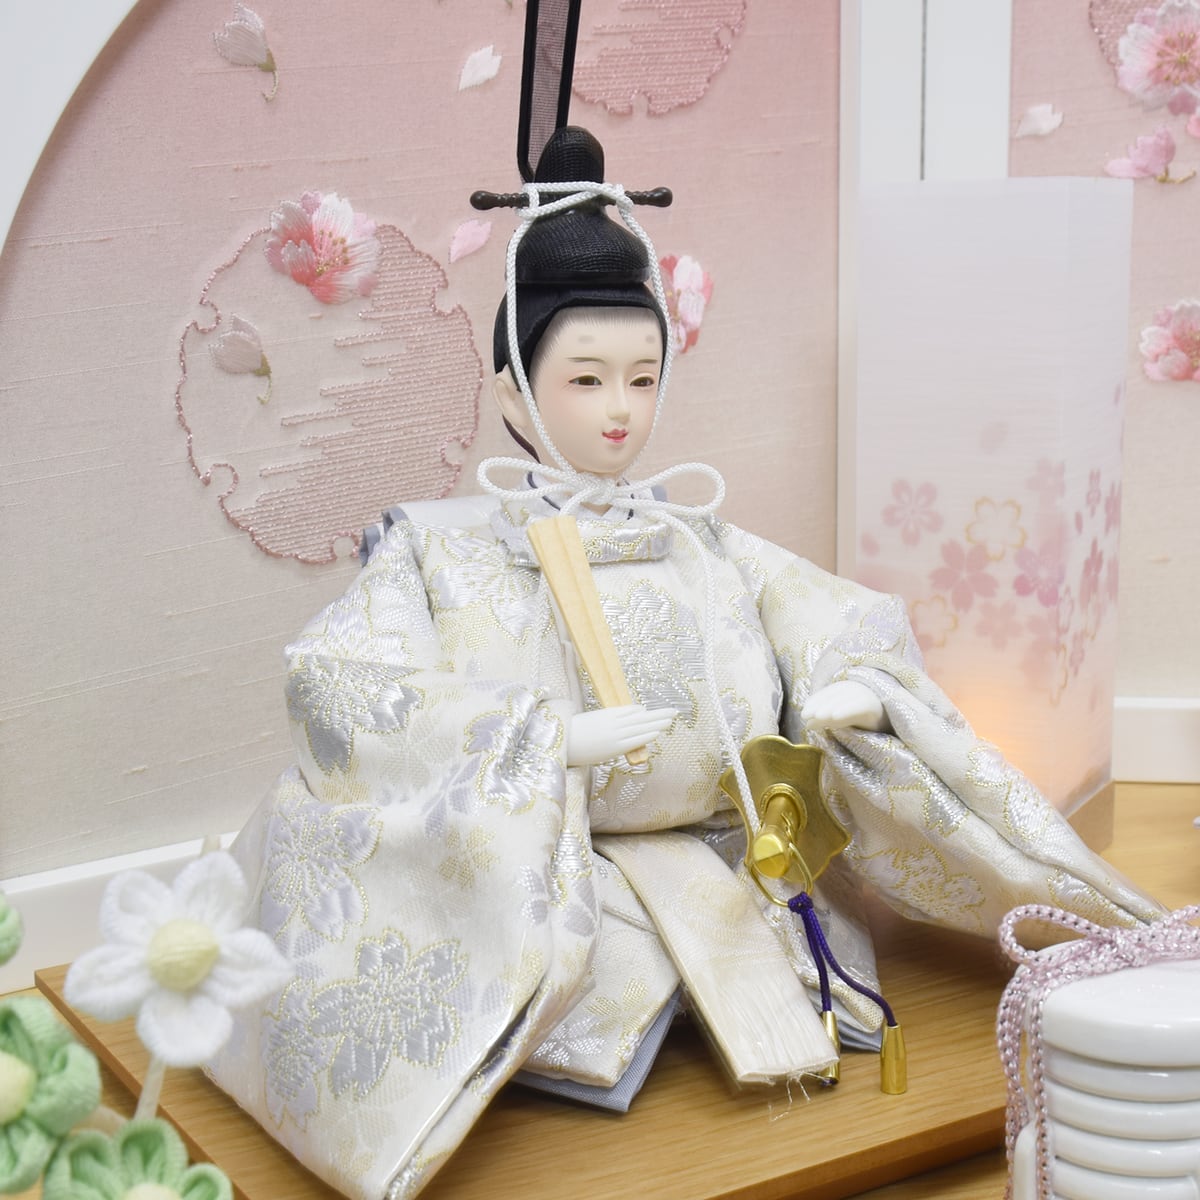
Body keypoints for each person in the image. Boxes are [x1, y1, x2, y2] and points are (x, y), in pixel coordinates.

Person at [209, 128, 1161, 1200]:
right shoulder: (439, 551)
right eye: (585, 378)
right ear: (515, 396)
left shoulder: (691, 531)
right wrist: (541, 744)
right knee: (590, 983)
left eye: (642, 376)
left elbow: (817, 606)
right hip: (562, 869)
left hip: (729, 855)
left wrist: (846, 680)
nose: (620, 409)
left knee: (809, 957)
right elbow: (341, 683)